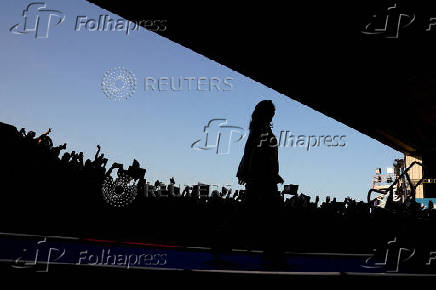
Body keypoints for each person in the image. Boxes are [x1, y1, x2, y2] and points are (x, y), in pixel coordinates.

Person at [236, 100, 286, 268]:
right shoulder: (261, 131)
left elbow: (254, 153)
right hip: (262, 180)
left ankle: (272, 253)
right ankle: (274, 254)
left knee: (256, 215)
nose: (274, 113)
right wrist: (266, 174)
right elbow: (254, 153)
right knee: (271, 217)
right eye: (272, 111)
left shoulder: (260, 130)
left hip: (262, 179)